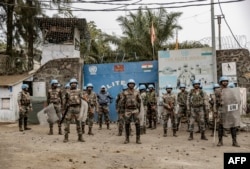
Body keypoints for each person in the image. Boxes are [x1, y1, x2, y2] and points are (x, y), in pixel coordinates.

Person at [215, 76, 240, 147]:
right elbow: (215, 102)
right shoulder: (218, 91)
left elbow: (236, 99)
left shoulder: (231, 90)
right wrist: (215, 111)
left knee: (233, 126)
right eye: (223, 81)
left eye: (226, 81)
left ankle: (234, 142)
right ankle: (220, 141)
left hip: (230, 110)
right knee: (220, 126)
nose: (225, 82)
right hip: (222, 110)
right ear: (221, 82)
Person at [63, 78, 85, 142]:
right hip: (69, 108)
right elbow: (65, 101)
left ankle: (80, 137)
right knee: (67, 123)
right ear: (70, 84)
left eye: (74, 83)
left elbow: (83, 99)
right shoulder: (67, 91)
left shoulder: (79, 91)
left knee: (79, 123)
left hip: (77, 108)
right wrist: (63, 109)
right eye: (72, 83)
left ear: (76, 84)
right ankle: (66, 137)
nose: (73, 84)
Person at [121, 79, 142, 144]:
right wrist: (122, 111)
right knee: (127, 124)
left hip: (135, 110)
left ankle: (138, 139)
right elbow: (122, 102)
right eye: (130, 84)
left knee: (137, 124)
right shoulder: (124, 93)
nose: (131, 85)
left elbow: (139, 101)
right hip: (127, 110)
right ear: (128, 85)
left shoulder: (137, 92)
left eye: (132, 84)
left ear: (134, 85)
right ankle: (127, 139)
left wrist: (139, 110)